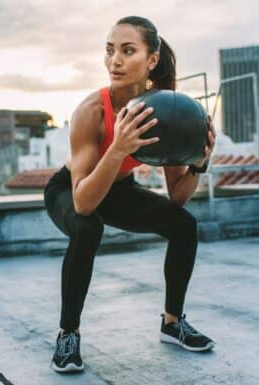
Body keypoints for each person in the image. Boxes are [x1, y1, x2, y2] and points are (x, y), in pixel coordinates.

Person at [44, 15, 217, 373]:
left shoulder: (163, 108)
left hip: (119, 190)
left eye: (127, 51)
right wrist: (118, 149)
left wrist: (199, 164)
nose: (114, 61)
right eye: (109, 51)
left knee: (184, 225)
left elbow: (176, 199)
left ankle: (172, 323)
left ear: (151, 60)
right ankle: (68, 334)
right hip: (72, 189)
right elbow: (83, 202)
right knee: (88, 226)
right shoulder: (92, 112)